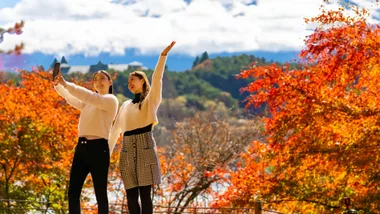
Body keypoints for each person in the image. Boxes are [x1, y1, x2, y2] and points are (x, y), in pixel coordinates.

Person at [108, 41, 175, 214]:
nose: (129, 83)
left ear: (142, 81)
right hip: (127, 148)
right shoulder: (125, 105)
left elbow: (157, 78)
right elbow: (115, 132)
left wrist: (163, 56)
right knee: (130, 195)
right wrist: (105, 155)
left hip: (145, 145)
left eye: (133, 80)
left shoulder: (150, 101)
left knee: (145, 195)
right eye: (128, 81)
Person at [53, 69, 119, 214]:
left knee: (100, 194)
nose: (99, 81)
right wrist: (58, 86)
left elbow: (87, 96)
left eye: (102, 78)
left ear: (110, 82)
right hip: (81, 148)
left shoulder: (110, 100)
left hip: (99, 148)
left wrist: (66, 83)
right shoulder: (88, 103)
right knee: (73, 193)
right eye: (96, 79)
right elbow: (72, 99)